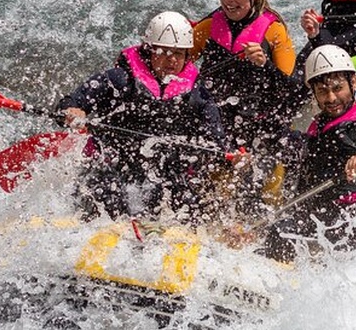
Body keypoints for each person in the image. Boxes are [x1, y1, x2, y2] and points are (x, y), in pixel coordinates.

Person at [54, 11, 232, 224]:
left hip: (163, 172)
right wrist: (73, 111)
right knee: (108, 193)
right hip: (112, 164)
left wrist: (232, 158)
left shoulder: (197, 95)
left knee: (185, 199)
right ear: (149, 51)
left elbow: (217, 142)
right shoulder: (118, 79)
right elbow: (69, 103)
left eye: (178, 53)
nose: (172, 60)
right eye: (164, 52)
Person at [261, 44, 356, 263]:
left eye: (338, 88)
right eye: (323, 92)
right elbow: (303, 185)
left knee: (286, 234)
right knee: (279, 233)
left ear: (353, 83)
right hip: (330, 214)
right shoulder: (316, 129)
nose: (331, 98)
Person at [190, 0, 307, 217]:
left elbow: (290, 89)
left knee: (263, 194)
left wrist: (264, 64)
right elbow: (181, 65)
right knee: (215, 194)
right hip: (219, 121)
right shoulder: (209, 26)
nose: (228, 0)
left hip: (263, 122)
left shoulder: (274, 30)